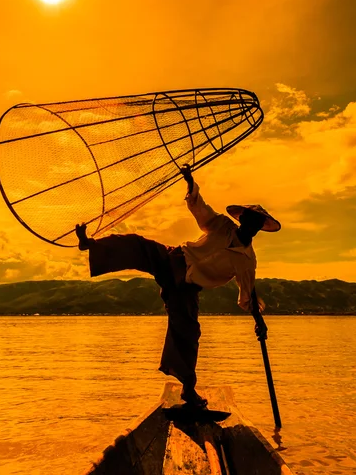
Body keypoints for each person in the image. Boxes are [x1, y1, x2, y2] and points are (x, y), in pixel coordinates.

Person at [75, 164, 281, 408]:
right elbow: (202, 211)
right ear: (242, 219)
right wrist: (190, 183)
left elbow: (247, 295)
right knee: (137, 244)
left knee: (188, 334)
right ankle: (91, 245)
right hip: (174, 259)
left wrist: (259, 321)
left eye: (253, 222)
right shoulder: (224, 226)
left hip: (187, 287)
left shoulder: (247, 261)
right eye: (246, 219)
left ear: (258, 228)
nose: (247, 223)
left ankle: (188, 390)